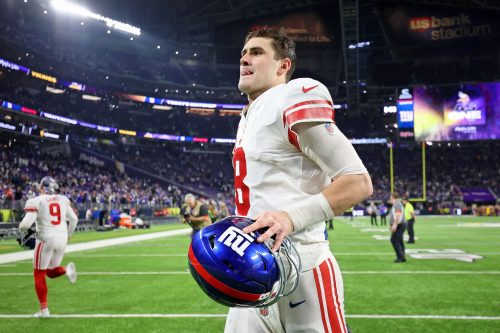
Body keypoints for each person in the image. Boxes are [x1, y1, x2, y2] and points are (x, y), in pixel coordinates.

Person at [225, 28, 373, 333]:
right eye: (243, 53)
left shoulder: (291, 96)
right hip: (251, 269)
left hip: (302, 265)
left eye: (257, 52)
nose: (245, 59)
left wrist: (289, 219)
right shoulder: (247, 117)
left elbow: (357, 181)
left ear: (283, 66)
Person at [17, 176, 78, 318]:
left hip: (46, 237)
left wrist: (21, 231)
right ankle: (66, 270)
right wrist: (68, 235)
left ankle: (44, 310)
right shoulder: (62, 199)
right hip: (62, 237)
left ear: (42, 187)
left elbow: (25, 225)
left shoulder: (37, 200)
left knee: (39, 273)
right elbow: (74, 219)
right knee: (50, 272)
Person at [389, 192, 407, 263]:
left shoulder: (397, 204)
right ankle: (402, 256)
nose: (389, 199)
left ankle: (400, 256)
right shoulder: (397, 204)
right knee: (399, 240)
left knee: (394, 240)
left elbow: (398, 215)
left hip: (400, 224)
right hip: (400, 224)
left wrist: (394, 225)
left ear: (393, 197)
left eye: (390, 197)